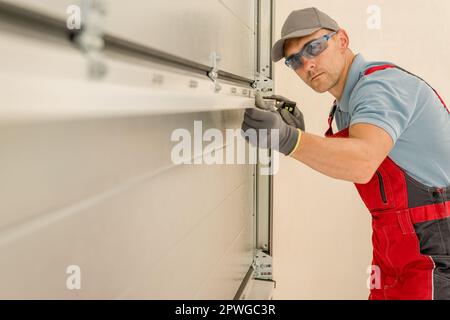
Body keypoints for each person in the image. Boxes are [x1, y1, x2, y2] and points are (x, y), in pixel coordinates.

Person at [241, 7, 450, 300]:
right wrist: (303, 139)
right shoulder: (344, 107)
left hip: (435, 243)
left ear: (342, 39)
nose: (307, 64)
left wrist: (290, 139)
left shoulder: (379, 86)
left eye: (314, 47)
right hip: (393, 244)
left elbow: (362, 161)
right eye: (295, 61)